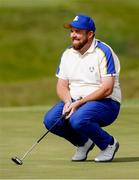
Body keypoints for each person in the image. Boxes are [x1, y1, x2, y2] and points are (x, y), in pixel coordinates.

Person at [43, 14, 121, 162]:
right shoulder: (67, 54)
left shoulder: (103, 52)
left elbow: (107, 89)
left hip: (106, 103)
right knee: (50, 120)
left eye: (78, 31)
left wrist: (79, 103)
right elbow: (61, 85)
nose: (73, 35)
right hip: (75, 100)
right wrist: (67, 101)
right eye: (72, 31)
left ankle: (109, 144)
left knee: (78, 120)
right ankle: (83, 142)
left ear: (90, 34)